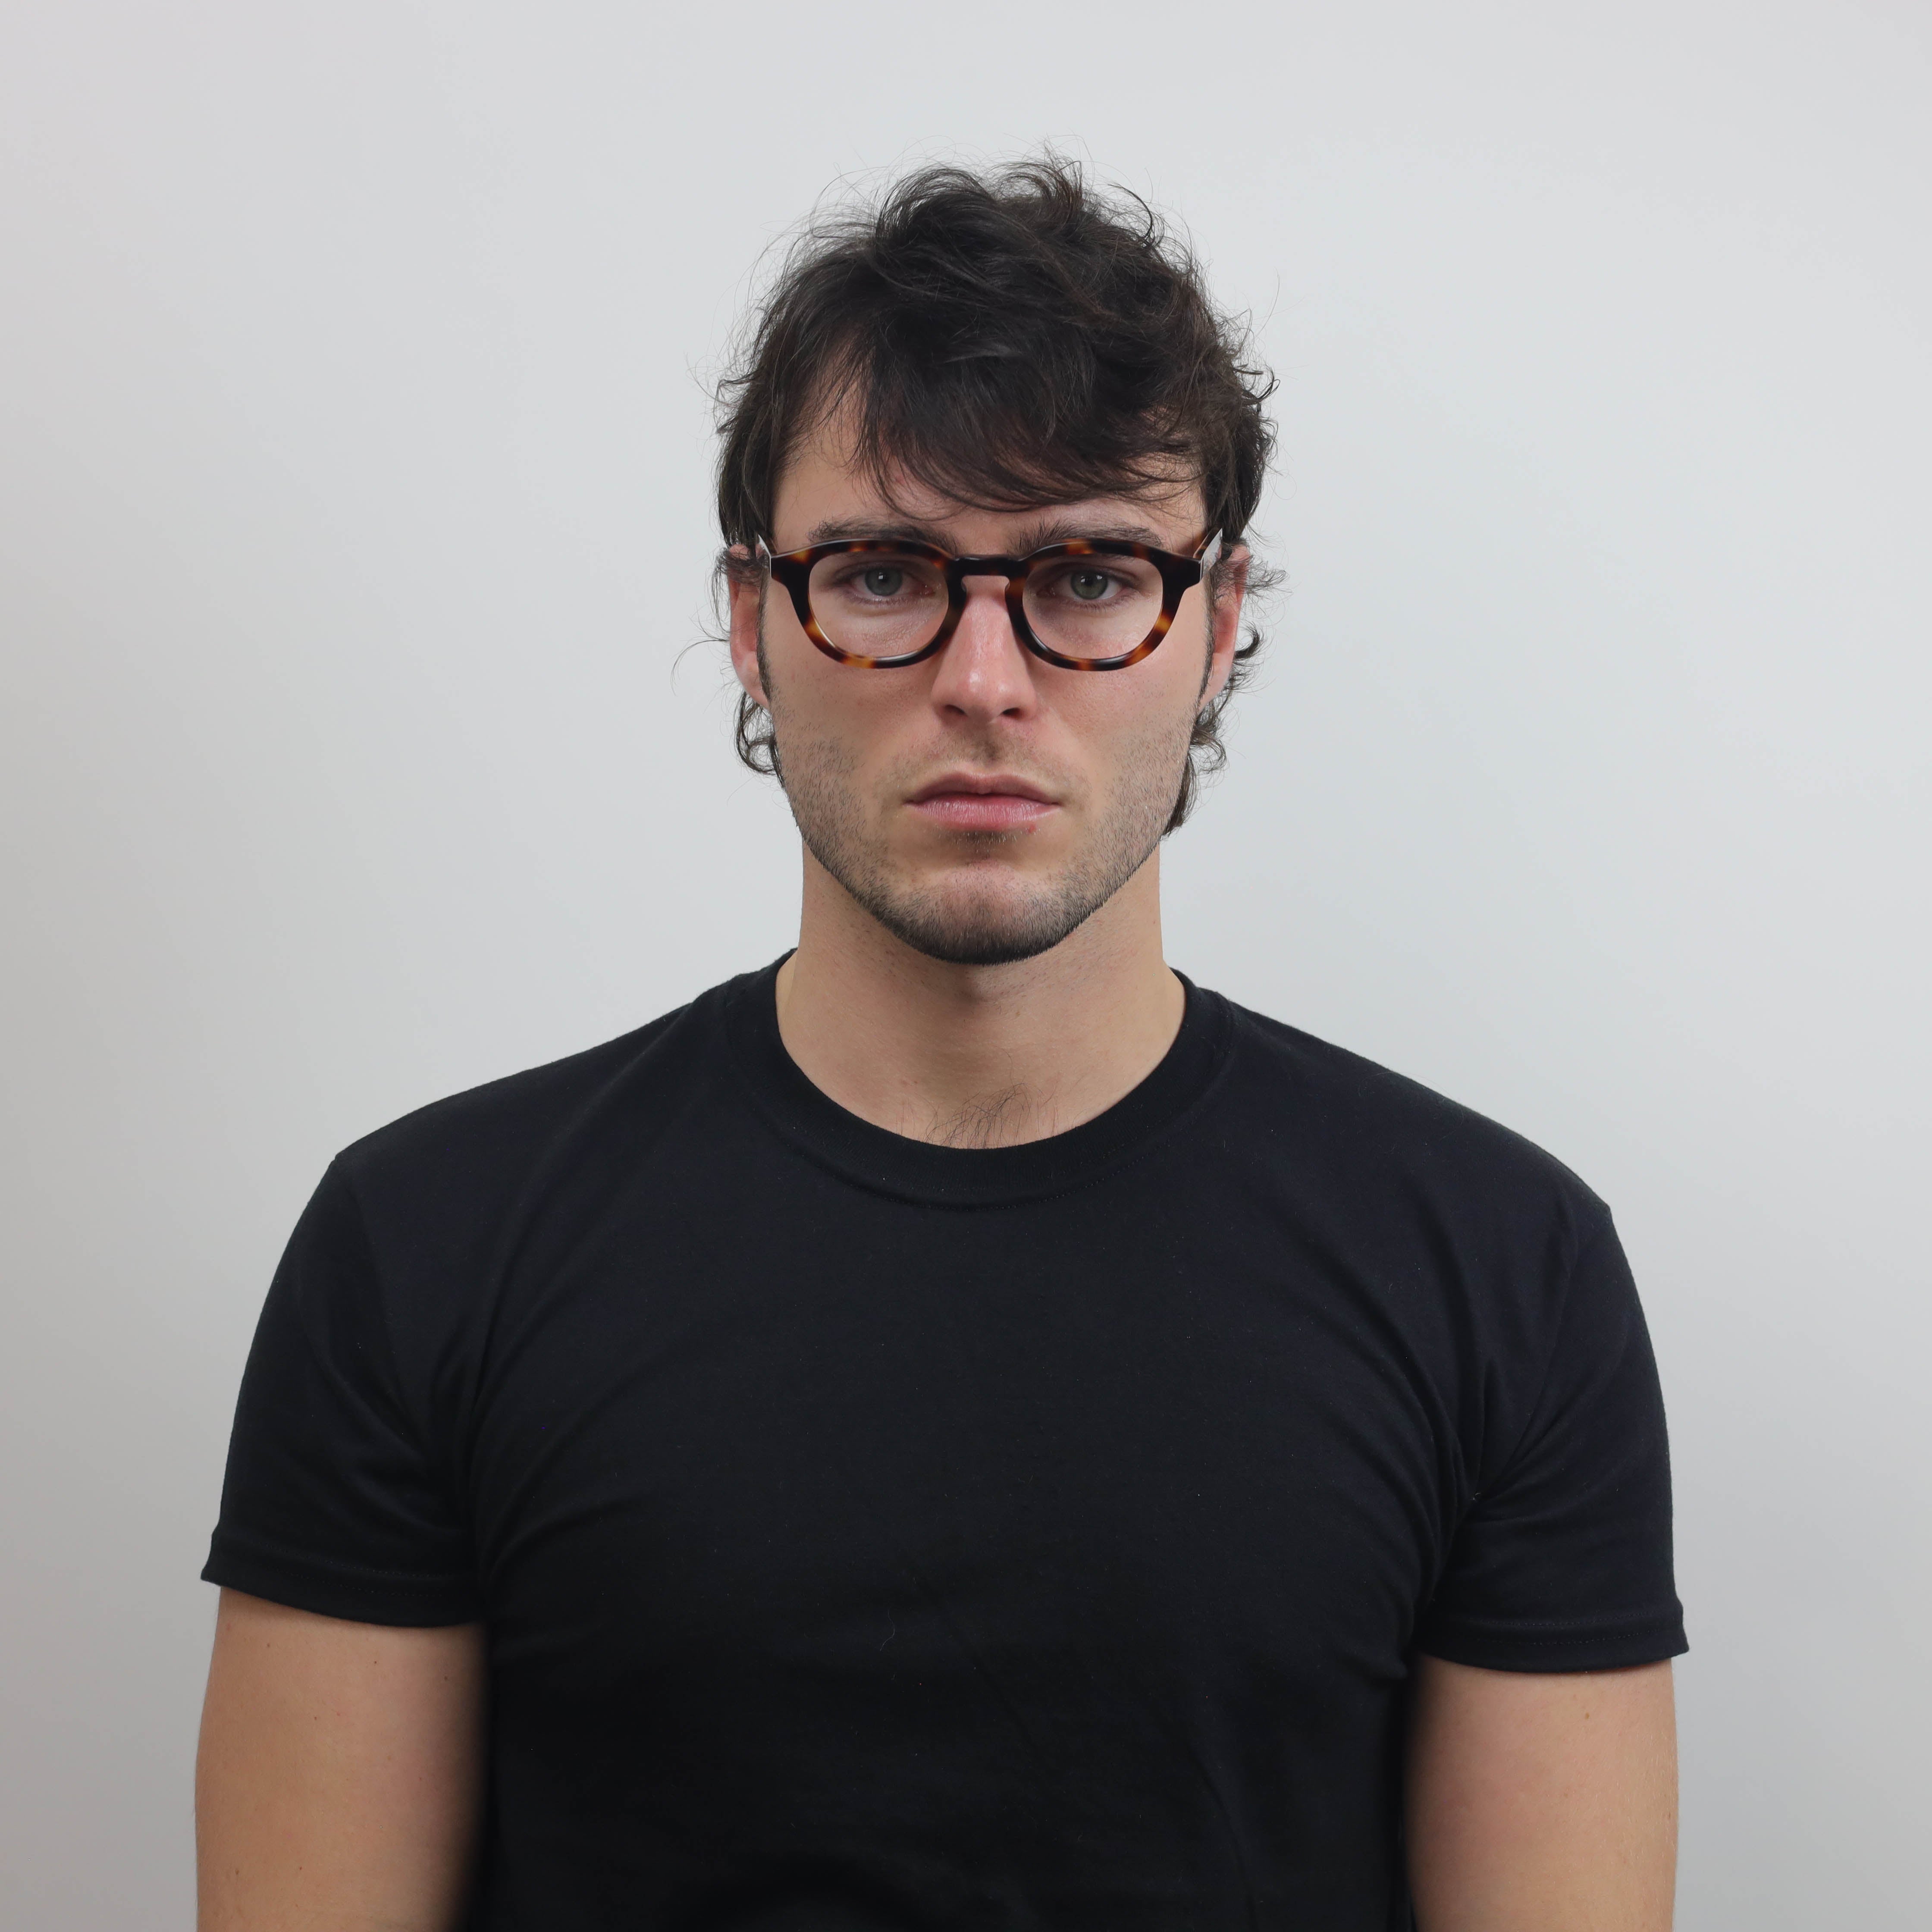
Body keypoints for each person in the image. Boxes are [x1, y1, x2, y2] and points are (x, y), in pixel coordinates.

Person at [196, 157, 1685, 1932]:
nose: (985, 678)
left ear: (1216, 627)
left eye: (1089, 574)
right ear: (752, 621)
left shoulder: (1504, 1271)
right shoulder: (424, 1249)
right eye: (888, 572)